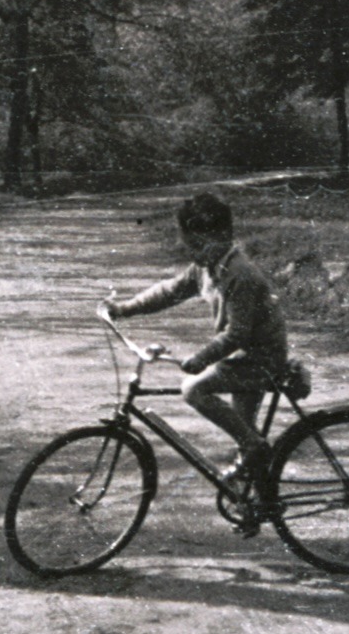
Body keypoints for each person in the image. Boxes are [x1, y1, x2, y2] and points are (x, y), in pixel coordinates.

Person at [103, 190, 289, 495]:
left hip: (259, 359)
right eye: (190, 246)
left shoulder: (240, 274)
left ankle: (255, 449)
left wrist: (202, 358)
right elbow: (169, 291)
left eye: (201, 246)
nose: (195, 254)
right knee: (244, 436)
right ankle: (261, 505)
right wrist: (125, 309)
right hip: (242, 359)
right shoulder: (206, 268)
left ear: (226, 235)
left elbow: (237, 333)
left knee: (194, 389)